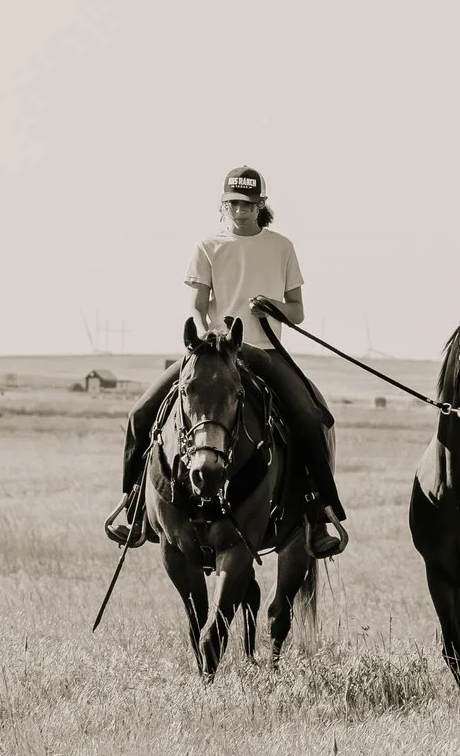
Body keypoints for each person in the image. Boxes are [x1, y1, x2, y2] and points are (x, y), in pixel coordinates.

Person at [111, 167, 348, 556]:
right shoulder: (208, 246)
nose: (240, 211)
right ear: (223, 206)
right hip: (213, 352)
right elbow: (198, 306)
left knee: (310, 417)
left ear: (261, 205)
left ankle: (317, 515)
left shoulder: (282, 247)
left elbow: (298, 312)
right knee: (140, 413)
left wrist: (273, 307)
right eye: (233, 204)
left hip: (264, 353)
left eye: (248, 204)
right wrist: (209, 338)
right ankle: (135, 509)